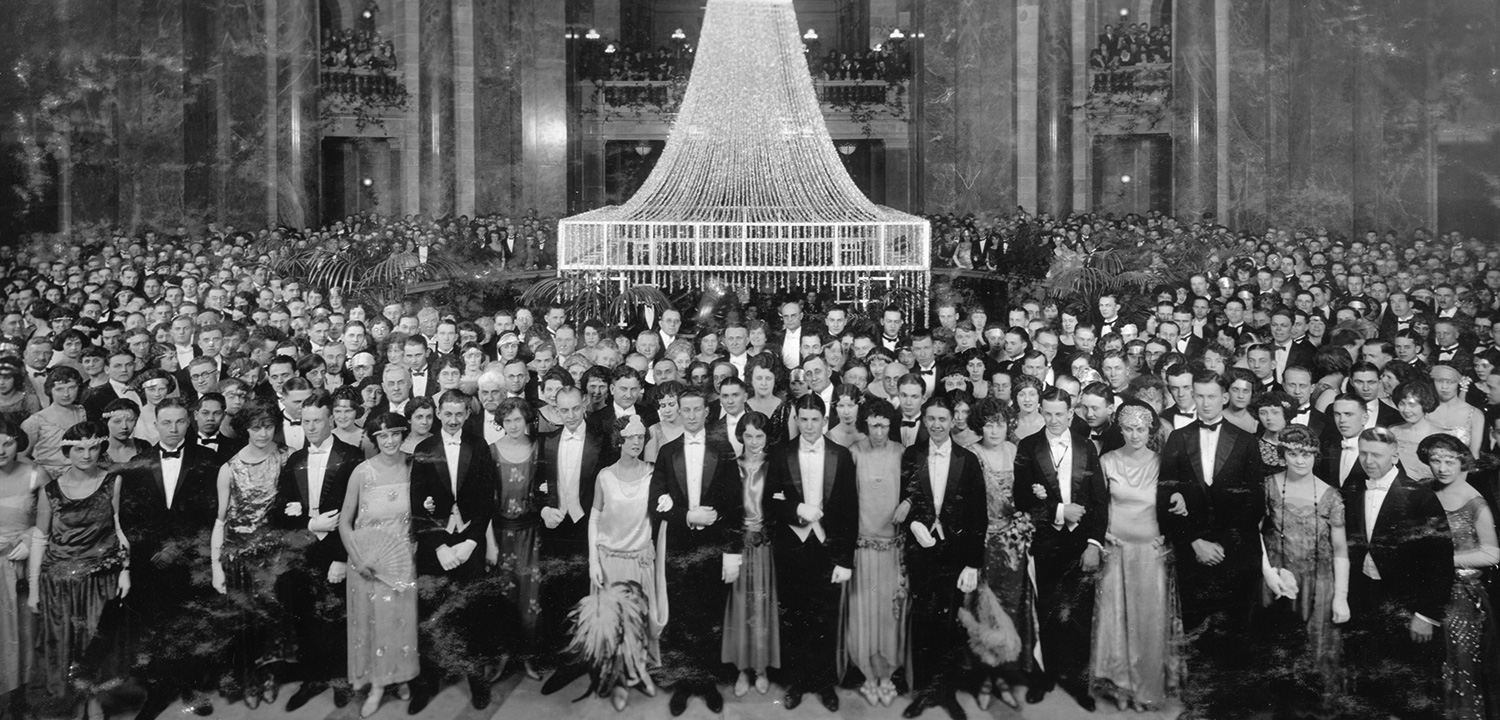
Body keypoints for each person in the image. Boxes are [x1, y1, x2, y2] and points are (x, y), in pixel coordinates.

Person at [1156, 370, 1267, 719]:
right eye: (1197, 395)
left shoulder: (1247, 440)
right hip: (1193, 553)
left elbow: (1255, 503)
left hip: (1235, 552)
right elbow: (1164, 496)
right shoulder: (1177, 437)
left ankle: (1231, 707)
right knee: (1197, 630)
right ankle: (1199, 707)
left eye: (1209, 396)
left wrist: (1221, 545)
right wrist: (1195, 542)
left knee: (1235, 631)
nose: (1203, 402)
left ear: (1224, 397)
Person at [117, 396, 221, 720]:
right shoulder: (138, 461)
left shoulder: (208, 460)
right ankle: (159, 691)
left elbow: (213, 513)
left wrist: (179, 546)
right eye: (166, 422)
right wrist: (154, 551)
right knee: (158, 628)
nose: (173, 429)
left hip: (192, 559)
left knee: (194, 625)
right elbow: (130, 517)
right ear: (156, 424)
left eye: (179, 422)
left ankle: (193, 687)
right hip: (152, 562)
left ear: (188, 421)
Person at [1342, 427, 1453, 720]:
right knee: (1371, 689)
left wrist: (1426, 614)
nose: (1368, 460)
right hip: (1366, 602)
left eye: (1376, 454)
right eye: (1363, 453)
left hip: (1408, 607)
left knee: (1413, 694)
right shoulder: (1353, 489)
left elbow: (1440, 562)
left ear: (1395, 455)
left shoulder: (1421, 496)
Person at [649, 389, 743, 716]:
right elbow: (655, 504)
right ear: (677, 411)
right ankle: (685, 683)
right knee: (681, 613)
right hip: (678, 547)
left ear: (706, 413)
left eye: (696, 410)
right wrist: (687, 516)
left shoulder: (723, 448)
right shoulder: (666, 451)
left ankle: (706, 681)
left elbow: (735, 505)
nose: (690, 415)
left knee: (711, 613)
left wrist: (733, 553)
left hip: (713, 548)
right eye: (684, 409)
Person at [1014, 387, 1106, 711]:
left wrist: (1094, 544)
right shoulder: (1028, 446)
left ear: (1071, 414)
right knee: (1048, 614)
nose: (1053, 420)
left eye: (1060, 414)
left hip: (1081, 546)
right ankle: (1046, 676)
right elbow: (1021, 500)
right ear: (1041, 411)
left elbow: (1099, 501)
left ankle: (1078, 683)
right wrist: (1057, 511)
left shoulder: (1086, 447)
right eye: (1047, 413)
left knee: (1080, 615)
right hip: (1047, 545)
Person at [763, 394, 857, 712]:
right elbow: (769, 502)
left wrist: (845, 560)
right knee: (795, 615)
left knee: (827, 618)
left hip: (828, 548)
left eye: (814, 419)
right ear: (797, 420)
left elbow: (849, 510)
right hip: (793, 547)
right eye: (802, 419)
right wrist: (796, 509)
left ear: (824, 420)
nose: (808, 425)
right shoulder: (781, 453)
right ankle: (798, 681)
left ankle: (824, 682)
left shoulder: (841, 455)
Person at [407, 390, 499, 713]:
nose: (453, 420)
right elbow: (417, 506)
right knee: (431, 615)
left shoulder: (480, 446)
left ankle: (477, 681)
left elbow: (488, 500)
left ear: (467, 414)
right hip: (436, 547)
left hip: (469, 544)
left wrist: (472, 542)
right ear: (438, 412)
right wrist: (441, 546)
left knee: (472, 615)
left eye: (460, 414)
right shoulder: (424, 448)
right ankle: (428, 682)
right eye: (448, 413)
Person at [28, 422, 128, 720]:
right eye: (79, 448)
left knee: (96, 645)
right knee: (63, 645)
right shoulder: (50, 490)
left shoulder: (114, 481)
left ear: (101, 448)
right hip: (58, 583)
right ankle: (71, 703)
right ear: (67, 451)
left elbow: (121, 529)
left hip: (100, 580)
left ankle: (94, 701)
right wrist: (34, 589)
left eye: (93, 447)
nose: (86, 455)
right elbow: (39, 538)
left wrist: (125, 570)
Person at [899, 394, 987, 720]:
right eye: (931, 419)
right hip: (922, 552)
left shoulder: (967, 458)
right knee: (923, 620)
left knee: (951, 625)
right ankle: (925, 692)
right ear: (924, 422)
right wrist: (914, 524)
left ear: (953, 422)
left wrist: (973, 562)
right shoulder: (912, 454)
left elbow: (979, 514)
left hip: (955, 554)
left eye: (942, 419)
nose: (936, 425)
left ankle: (948, 694)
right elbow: (904, 498)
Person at [1090, 402, 1183, 711]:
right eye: (1128, 428)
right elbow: (1095, 505)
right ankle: (1120, 687)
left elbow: (1174, 506)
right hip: (1116, 551)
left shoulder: (1162, 463)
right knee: (1116, 621)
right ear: (1121, 430)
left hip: (1149, 553)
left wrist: (1168, 538)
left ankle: (1146, 690)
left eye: (1140, 429)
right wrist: (1102, 534)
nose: (1134, 435)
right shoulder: (1107, 461)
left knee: (1148, 622)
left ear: (1150, 430)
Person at [274, 393, 362, 711]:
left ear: (330, 420)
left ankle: (340, 678)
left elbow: (359, 513)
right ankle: (313, 678)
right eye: (306, 421)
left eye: (317, 421)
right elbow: (279, 514)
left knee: (338, 615)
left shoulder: (352, 457)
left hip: (337, 551)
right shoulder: (294, 460)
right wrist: (309, 522)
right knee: (306, 617)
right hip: (303, 552)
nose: (311, 427)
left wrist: (342, 556)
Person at [1257, 425, 1349, 715]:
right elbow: (1254, 533)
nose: (1300, 461)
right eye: (1293, 454)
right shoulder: (1268, 486)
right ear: (1283, 454)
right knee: (1277, 653)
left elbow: (1341, 551)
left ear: (1315, 456)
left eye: (1307, 455)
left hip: (1318, 586)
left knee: (1315, 655)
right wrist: (1268, 573)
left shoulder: (1331, 495)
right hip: (1276, 581)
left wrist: (1341, 597)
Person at [210, 399, 295, 707]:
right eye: (256, 428)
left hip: (276, 557)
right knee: (245, 624)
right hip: (239, 559)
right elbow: (220, 521)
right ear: (245, 428)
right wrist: (217, 568)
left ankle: (270, 674)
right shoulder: (229, 468)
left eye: (269, 427)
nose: (263, 434)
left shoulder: (287, 458)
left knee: (273, 621)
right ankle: (248, 679)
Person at [577, 415, 663, 711]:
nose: (637, 443)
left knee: (640, 622)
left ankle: (639, 673)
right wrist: (593, 563)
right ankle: (620, 681)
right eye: (631, 437)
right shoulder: (605, 476)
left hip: (639, 561)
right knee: (616, 626)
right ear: (619, 441)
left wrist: (651, 543)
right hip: (610, 560)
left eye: (641, 437)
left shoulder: (654, 473)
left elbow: (660, 515)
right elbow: (595, 518)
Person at [338, 412, 420, 718]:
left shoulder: (415, 467)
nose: (389, 441)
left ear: (403, 435)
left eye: (395, 434)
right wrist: (358, 561)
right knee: (372, 625)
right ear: (374, 439)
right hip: (366, 566)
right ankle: (375, 685)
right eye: (382, 436)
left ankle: (398, 676)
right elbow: (344, 523)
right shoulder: (362, 472)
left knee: (400, 625)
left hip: (402, 561)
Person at [1418, 433, 1500, 720]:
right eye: (1435, 460)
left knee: (1461, 668)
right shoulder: (1425, 491)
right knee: (1430, 670)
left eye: (1449, 461)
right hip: (1427, 593)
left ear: (1462, 461)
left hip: (1463, 598)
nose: (1442, 468)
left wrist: (1445, 562)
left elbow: (1492, 554)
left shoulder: (1475, 501)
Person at [537, 386, 613, 689]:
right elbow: (535, 486)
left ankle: (594, 661)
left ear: (584, 406)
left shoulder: (602, 440)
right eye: (562, 410)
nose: (569, 416)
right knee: (556, 595)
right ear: (555, 410)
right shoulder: (547, 442)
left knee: (589, 595)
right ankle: (566, 662)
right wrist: (543, 510)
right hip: (556, 527)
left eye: (574, 409)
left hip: (588, 526)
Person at [965, 397, 1028, 711]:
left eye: (1000, 423)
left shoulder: (1015, 452)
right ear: (980, 425)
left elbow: (1024, 496)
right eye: (988, 423)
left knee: (1008, 607)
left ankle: (1002, 675)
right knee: (982, 609)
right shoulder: (971, 455)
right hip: (982, 542)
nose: (994, 429)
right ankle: (983, 678)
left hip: (1012, 544)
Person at [846, 401, 906, 707]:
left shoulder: (900, 452)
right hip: (863, 547)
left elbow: (913, 491)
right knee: (863, 613)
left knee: (889, 615)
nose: (879, 431)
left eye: (884, 425)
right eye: (873, 425)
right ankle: (869, 675)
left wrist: (907, 503)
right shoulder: (855, 453)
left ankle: (887, 675)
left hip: (893, 550)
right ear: (865, 425)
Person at [722, 411, 780, 699]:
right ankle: (743, 669)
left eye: (760, 435)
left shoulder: (775, 466)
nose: (754, 441)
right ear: (740, 437)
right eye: (748, 436)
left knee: (763, 606)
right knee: (741, 606)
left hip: (766, 548)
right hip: (738, 546)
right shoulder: (730, 467)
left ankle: (762, 667)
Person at [488, 396, 544, 677]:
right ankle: (502, 656)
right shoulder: (491, 451)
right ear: (500, 423)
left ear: (527, 420)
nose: (512, 425)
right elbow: (484, 501)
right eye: (507, 420)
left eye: (518, 419)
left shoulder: (537, 448)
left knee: (530, 598)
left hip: (531, 533)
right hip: (500, 534)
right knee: (502, 596)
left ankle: (527, 657)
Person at [0, 420, 35, 717]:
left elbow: (54, 519)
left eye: (7, 443)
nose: (0, 450)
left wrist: (31, 537)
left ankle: (18, 699)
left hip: (17, 565)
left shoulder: (34, 473)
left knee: (18, 634)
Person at [22, 367, 89, 480]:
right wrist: (41, 475)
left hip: (81, 474)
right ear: (50, 390)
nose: (66, 394)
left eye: (72, 388)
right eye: (59, 389)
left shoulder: (82, 412)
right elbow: (21, 456)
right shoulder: (36, 421)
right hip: (49, 478)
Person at [1392, 380, 1442, 481]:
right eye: (1402, 404)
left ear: (1425, 405)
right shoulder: (1392, 432)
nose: (1406, 410)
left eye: (1412, 405)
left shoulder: (1440, 437)